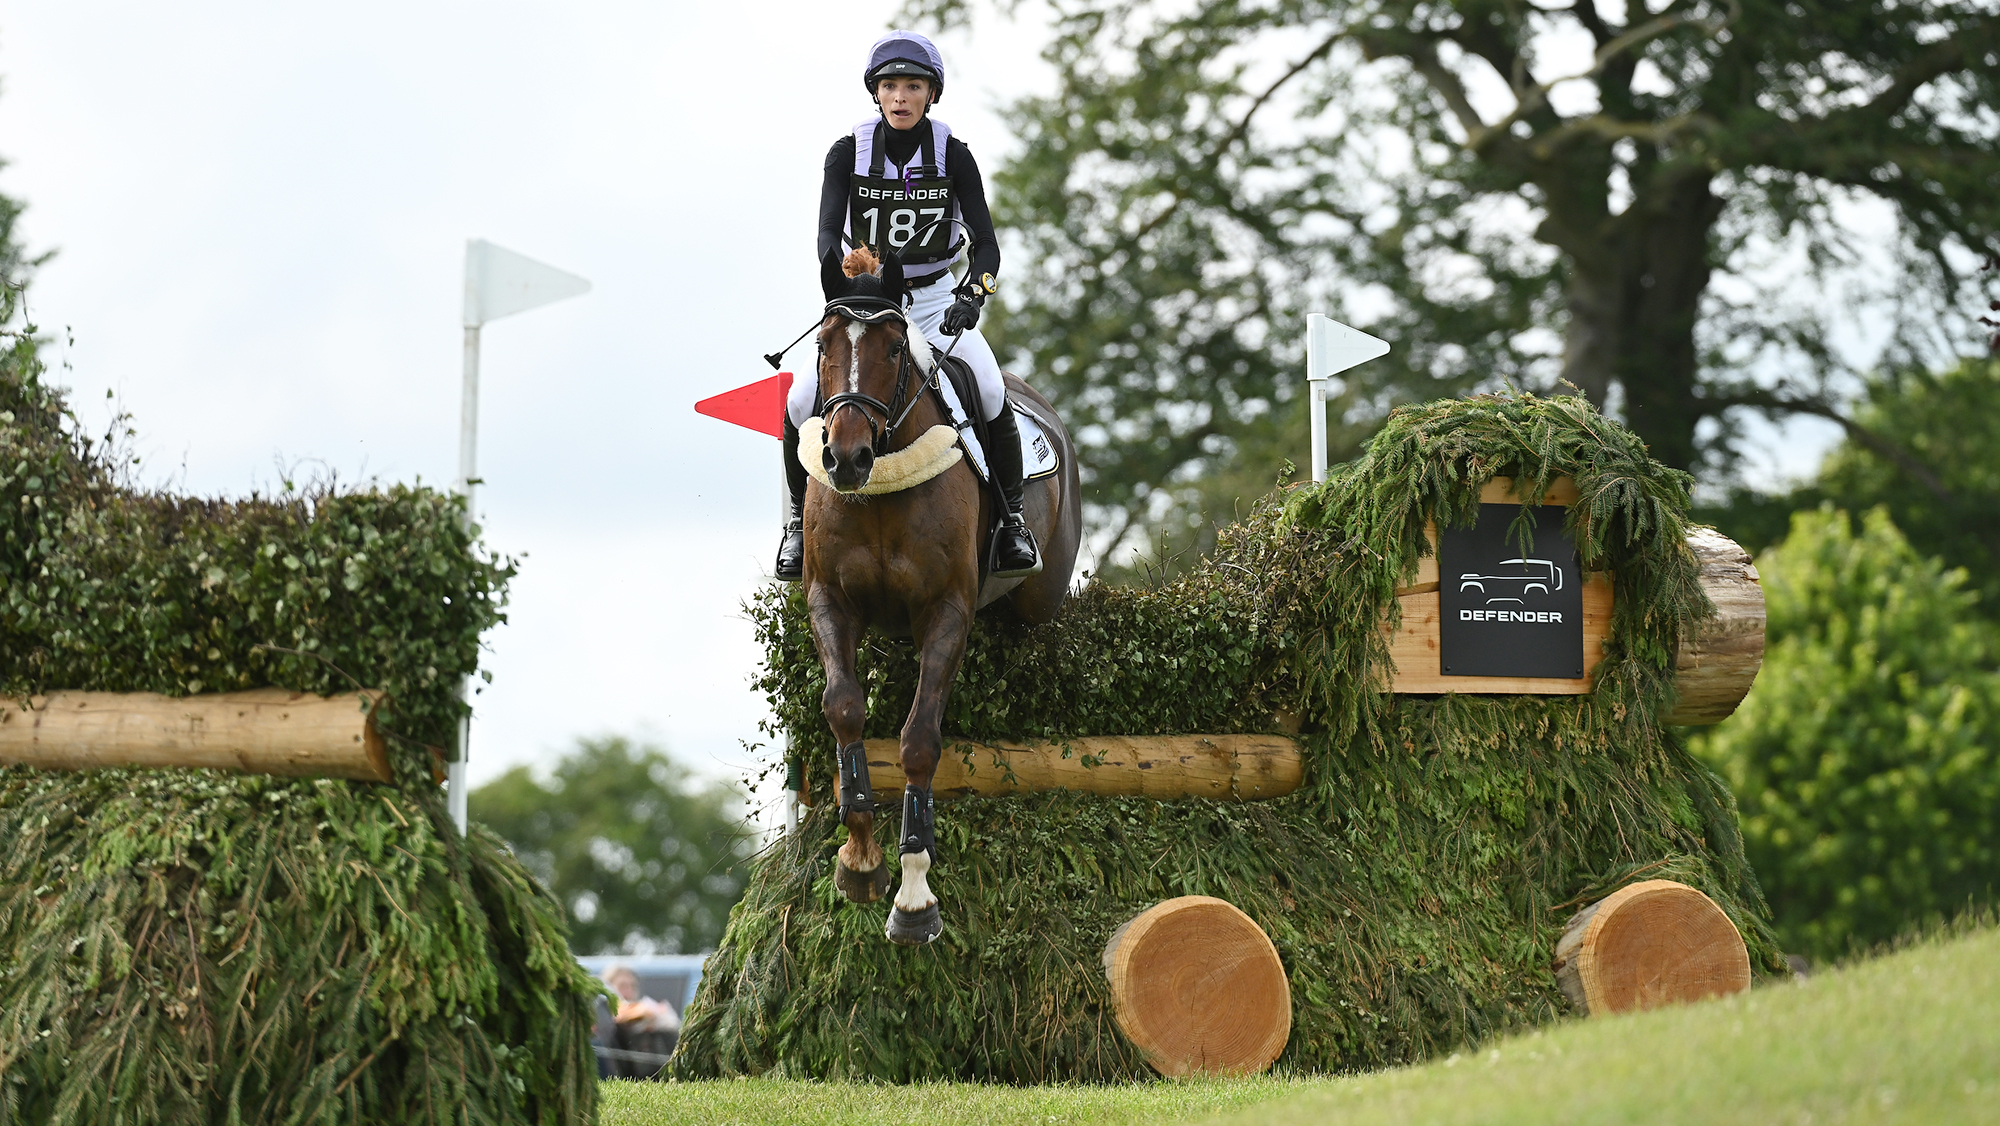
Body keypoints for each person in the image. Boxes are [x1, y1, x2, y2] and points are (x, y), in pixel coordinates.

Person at [776, 29, 1041, 582]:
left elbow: (987, 243)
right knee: (802, 399)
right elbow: (827, 232)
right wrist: (842, 285)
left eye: (913, 86)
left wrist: (974, 293)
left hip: (935, 300)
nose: (900, 97)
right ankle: (797, 528)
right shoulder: (847, 152)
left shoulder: (954, 155)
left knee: (990, 389)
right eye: (890, 86)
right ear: (876, 93)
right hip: (865, 301)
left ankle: (1012, 521)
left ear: (931, 95)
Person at [600, 964, 680, 1079]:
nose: (628, 991)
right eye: (622, 986)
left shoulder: (642, 1010)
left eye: (632, 986)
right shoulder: (603, 1014)